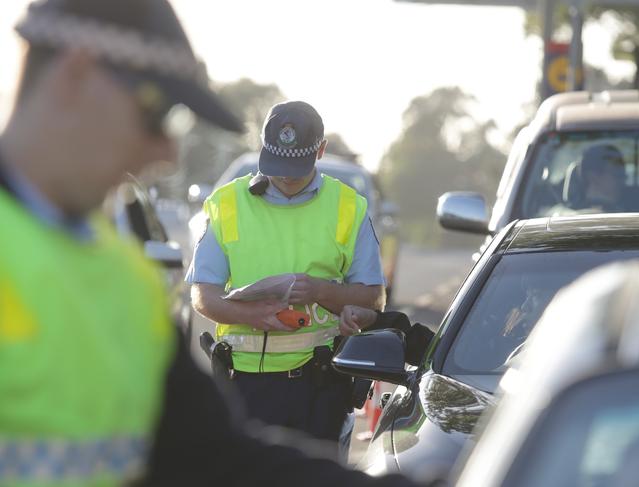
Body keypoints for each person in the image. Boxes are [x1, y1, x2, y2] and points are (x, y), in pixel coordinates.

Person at [0, 1, 423, 486]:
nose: (168, 151)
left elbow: (214, 454)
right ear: (76, 76)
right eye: (159, 116)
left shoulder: (125, 281)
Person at [186, 100, 386, 450]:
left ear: (321, 150)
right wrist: (252, 314)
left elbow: (373, 297)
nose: (286, 176)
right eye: (278, 164)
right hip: (246, 385)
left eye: (297, 166)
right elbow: (203, 293)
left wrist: (321, 291)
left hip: (320, 385)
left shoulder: (348, 207)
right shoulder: (227, 203)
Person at [552, 143, 627, 216]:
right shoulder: (560, 216)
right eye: (617, 175)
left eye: (623, 175)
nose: (623, 180)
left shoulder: (629, 213)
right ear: (593, 176)